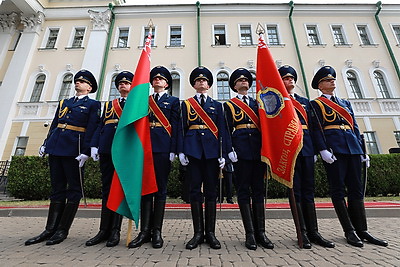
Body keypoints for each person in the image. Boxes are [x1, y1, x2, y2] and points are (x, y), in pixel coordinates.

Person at [310, 66, 388, 247]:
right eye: (328, 80)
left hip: (353, 149)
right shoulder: (316, 104)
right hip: (334, 151)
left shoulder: (345, 103)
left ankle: (362, 230)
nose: (332, 82)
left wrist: (363, 151)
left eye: (332, 79)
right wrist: (322, 149)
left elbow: (355, 127)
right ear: (320, 85)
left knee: (356, 190)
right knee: (338, 190)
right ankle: (349, 230)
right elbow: (317, 128)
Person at [25, 69, 101, 246]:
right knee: (57, 188)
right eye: (76, 81)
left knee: (74, 189)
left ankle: (62, 230)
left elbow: (92, 128)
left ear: (89, 88)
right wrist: (46, 143)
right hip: (56, 146)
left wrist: (87, 151)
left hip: (75, 149)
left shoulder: (93, 105)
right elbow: (54, 125)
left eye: (82, 82)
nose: (77, 83)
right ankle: (50, 228)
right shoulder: (64, 102)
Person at [279, 65, 334, 249]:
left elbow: (314, 127)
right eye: (286, 78)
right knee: (296, 192)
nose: (290, 81)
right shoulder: (277, 101)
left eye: (292, 78)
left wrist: (320, 149)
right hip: (289, 150)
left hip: (308, 148)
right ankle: (301, 232)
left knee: (309, 191)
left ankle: (314, 231)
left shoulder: (304, 102)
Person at [178, 66, 229, 250]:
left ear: (209, 85)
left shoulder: (217, 106)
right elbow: (181, 129)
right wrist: (181, 151)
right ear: (194, 84)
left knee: (211, 192)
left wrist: (224, 154)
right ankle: (197, 233)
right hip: (192, 151)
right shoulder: (187, 104)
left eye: (204, 80)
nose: (201, 82)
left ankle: (211, 233)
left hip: (211, 152)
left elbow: (222, 131)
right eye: (198, 80)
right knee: (194, 192)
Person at [129, 66, 180, 249]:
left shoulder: (173, 102)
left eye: (161, 78)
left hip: (162, 149)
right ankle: (144, 231)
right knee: (145, 189)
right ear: (151, 82)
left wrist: (174, 149)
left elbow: (176, 127)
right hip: (144, 148)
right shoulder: (144, 100)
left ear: (167, 83)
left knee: (160, 190)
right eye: (155, 78)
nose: (157, 80)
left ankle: (156, 231)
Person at [224, 68, 274, 250]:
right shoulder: (229, 105)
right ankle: (250, 234)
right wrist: (228, 150)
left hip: (258, 150)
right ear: (234, 86)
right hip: (241, 151)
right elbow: (226, 130)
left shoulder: (258, 103)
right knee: (244, 191)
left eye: (246, 79)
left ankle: (261, 232)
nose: (243, 82)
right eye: (239, 80)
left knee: (259, 190)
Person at [86, 70, 133, 247]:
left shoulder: (136, 105)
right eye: (120, 83)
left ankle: (115, 231)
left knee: (119, 191)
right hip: (106, 149)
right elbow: (100, 125)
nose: (123, 85)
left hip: (124, 152)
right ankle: (103, 230)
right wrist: (94, 145)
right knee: (106, 190)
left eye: (127, 83)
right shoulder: (109, 104)